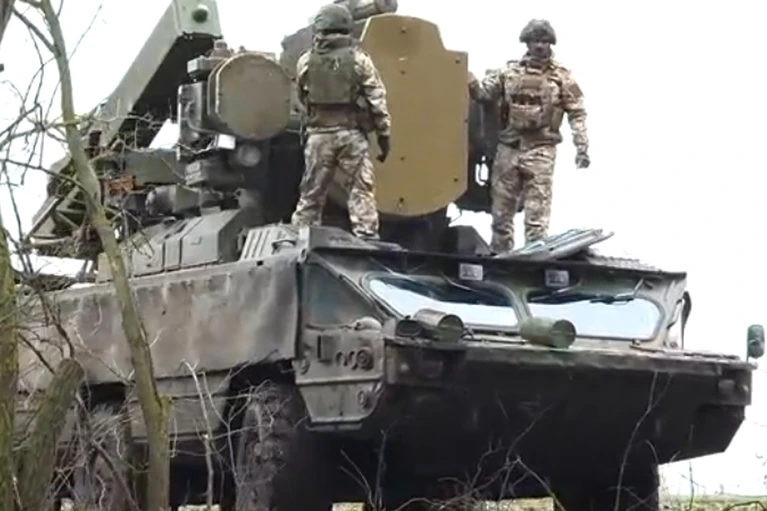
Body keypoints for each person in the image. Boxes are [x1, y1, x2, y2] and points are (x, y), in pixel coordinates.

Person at [468, 19, 590, 254]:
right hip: (510, 147)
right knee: (501, 214)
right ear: (527, 43)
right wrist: (468, 79)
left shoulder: (562, 76)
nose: (540, 46)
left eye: (544, 41)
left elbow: (577, 112)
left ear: (551, 43)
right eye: (535, 41)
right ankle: (500, 256)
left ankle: (534, 257)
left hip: (541, 149)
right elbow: (483, 95)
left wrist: (581, 146)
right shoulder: (509, 72)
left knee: (537, 216)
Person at [290, 3, 391, 240]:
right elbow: (377, 100)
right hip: (351, 135)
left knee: (311, 193)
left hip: (319, 135)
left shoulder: (306, 61)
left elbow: (302, 97)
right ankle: (366, 239)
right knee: (361, 190)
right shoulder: (359, 60)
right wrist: (384, 135)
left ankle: (300, 237)